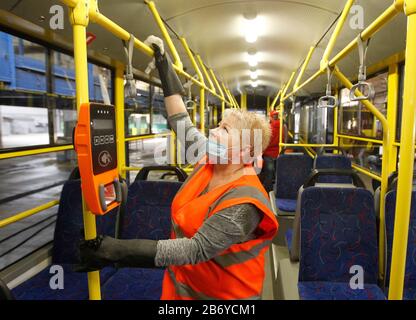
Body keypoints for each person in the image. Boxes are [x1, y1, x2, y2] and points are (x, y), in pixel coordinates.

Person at [76, 36, 278, 300]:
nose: (212, 132)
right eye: (217, 125)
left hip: (226, 296)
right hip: (182, 285)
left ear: (246, 151)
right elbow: (181, 120)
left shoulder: (245, 204)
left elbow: (195, 249)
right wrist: (163, 64)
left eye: (224, 130)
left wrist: (115, 250)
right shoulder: (211, 157)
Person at [258, 111, 281, 192]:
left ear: (271, 117)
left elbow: (266, 141)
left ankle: (268, 191)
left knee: (269, 174)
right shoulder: (283, 126)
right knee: (278, 173)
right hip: (279, 153)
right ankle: (277, 190)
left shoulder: (268, 128)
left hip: (268, 154)